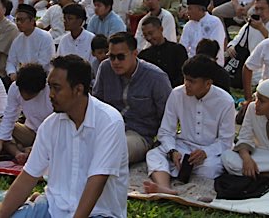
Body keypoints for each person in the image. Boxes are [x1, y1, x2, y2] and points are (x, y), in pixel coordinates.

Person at [0, 55, 129, 218]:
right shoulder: (50, 125)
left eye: (56, 88)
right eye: (49, 87)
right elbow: (28, 177)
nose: (50, 94)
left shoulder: (109, 122)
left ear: (78, 90)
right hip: (53, 207)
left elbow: (97, 181)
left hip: (98, 212)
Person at [143, 55, 236, 195]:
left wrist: (205, 152)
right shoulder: (177, 94)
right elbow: (166, 131)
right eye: (185, 79)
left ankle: (176, 172)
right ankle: (165, 188)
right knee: (154, 155)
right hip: (182, 147)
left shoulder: (225, 101)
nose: (186, 84)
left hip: (209, 151)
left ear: (208, 83)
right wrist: (172, 151)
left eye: (192, 81)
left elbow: (225, 141)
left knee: (211, 168)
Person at [93, 32, 171, 164]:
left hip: (138, 134)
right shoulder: (105, 68)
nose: (115, 62)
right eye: (111, 57)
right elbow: (97, 103)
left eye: (120, 57)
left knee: (114, 152)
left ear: (135, 54)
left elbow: (168, 116)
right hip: (107, 129)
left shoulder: (156, 77)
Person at [0, 63, 53, 165]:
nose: (24, 95)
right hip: (31, 132)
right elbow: (9, 117)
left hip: (50, 137)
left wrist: (36, 146)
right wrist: (0, 141)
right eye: (22, 91)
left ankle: (28, 151)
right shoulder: (14, 88)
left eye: (29, 93)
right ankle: (18, 153)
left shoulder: (51, 92)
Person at [139, 16, 189, 88]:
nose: (148, 38)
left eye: (151, 33)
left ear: (161, 29)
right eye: (145, 35)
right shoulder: (144, 56)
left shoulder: (177, 50)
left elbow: (183, 76)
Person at [179, 0, 226, 65]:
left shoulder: (215, 22)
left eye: (189, 9)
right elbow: (183, 47)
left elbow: (215, 47)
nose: (187, 12)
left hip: (211, 62)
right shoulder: (188, 25)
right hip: (192, 63)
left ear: (200, 9)